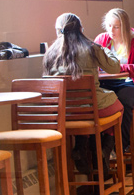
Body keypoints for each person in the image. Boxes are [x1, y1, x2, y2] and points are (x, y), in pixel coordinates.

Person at [43, 13, 124, 173]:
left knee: (83, 112)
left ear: (58, 31)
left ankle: (80, 147)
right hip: (90, 109)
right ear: (80, 29)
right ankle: (106, 149)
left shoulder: (50, 53)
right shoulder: (91, 48)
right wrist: (105, 49)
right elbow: (115, 67)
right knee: (119, 106)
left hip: (64, 113)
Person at [94, 8, 134, 153]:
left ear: (124, 27)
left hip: (132, 83)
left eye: (116, 26)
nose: (112, 30)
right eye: (109, 26)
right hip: (107, 83)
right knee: (99, 100)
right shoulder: (101, 40)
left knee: (122, 100)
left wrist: (119, 67)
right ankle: (103, 146)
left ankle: (122, 145)